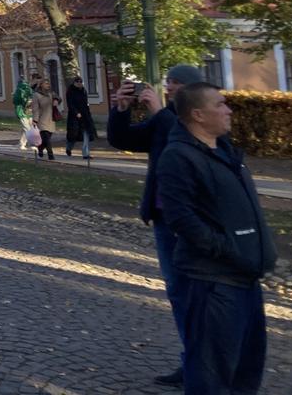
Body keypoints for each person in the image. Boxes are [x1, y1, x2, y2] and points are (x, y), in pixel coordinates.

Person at [157, 83, 275, 395]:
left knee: (246, 371)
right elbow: (180, 218)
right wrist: (226, 249)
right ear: (198, 114)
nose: (229, 110)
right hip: (213, 283)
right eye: (220, 104)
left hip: (246, 278)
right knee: (211, 376)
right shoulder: (178, 156)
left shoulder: (226, 152)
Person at [108, 63, 204, 389]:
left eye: (175, 84)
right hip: (165, 221)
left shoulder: (199, 118)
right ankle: (192, 361)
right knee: (178, 293)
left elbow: (190, 142)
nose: (169, 88)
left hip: (192, 224)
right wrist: (120, 110)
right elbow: (124, 139)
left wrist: (159, 111)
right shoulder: (165, 120)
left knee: (197, 295)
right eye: (168, 83)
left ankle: (207, 364)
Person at [64, 75, 97, 160]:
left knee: (86, 133)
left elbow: (86, 103)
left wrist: (88, 113)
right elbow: (70, 104)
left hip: (85, 116)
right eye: (77, 82)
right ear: (74, 82)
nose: (79, 83)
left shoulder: (83, 91)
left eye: (80, 82)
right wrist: (76, 113)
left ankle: (86, 154)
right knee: (73, 135)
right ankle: (69, 148)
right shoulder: (70, 91)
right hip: (74, 117)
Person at [30, 78, 57, 160]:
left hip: (51, 119)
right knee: (46, 138)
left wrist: (56, 100)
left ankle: (40, 148)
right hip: (41, 119)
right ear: (41, 85)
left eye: (48, 84)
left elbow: (58, 98)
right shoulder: (36, 95)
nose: (47, 85)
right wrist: (35, 120)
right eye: (46, 83)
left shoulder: (51, 93)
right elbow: (35, 109)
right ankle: (50, 154)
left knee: (47, 138)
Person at [13, 76, 34, 150]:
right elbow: (16, 101)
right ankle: (32, 144)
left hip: (28, 111)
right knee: (27, 128)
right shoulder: (19, 91)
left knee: (27, 128)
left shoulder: (30, 90)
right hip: (21, 112)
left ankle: (22, 143)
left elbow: (32, 99)